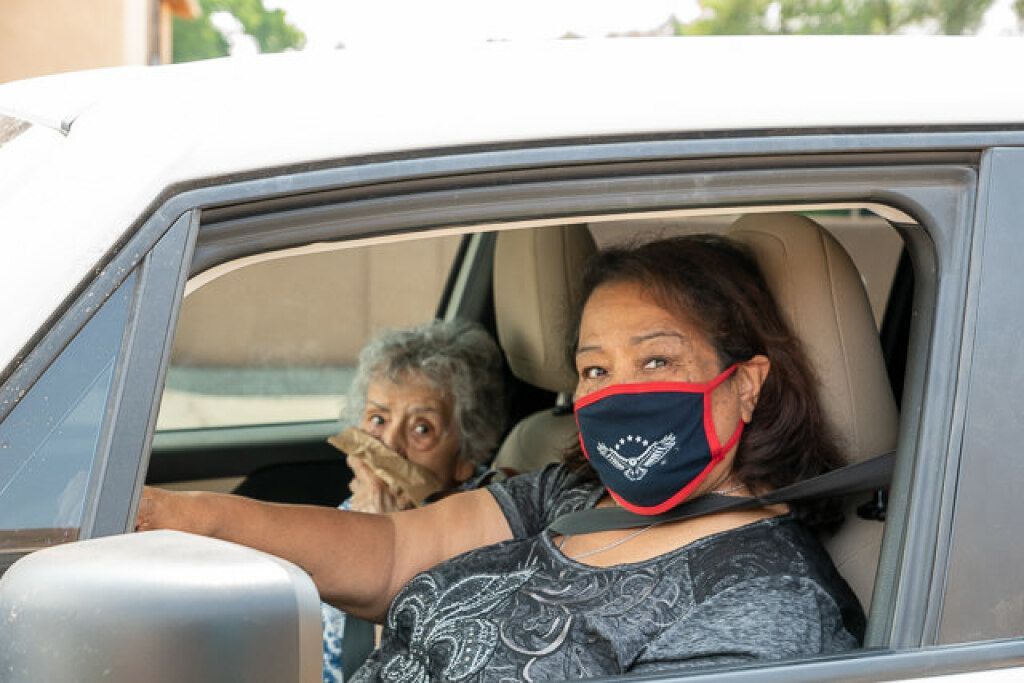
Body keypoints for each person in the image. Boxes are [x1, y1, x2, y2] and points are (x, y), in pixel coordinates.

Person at [138, 234, 865, 680]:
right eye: (596, 369)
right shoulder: (568, 495)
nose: (620, 393)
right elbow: (393, 553)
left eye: (656, 360)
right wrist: (187, 516)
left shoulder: (766, 602)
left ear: (745, 384)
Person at [321, 320, 508, 682]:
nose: (390, 445)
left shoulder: (488, 539)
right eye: (378, 419)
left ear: (467, 453)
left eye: (422, 428)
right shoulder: (354, 508)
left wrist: (381, 545)